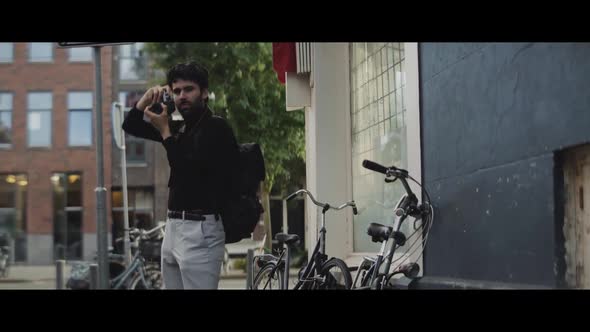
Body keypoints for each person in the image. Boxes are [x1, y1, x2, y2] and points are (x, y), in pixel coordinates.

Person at [122, 61, 239, 289]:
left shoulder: (216, 128)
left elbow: (187, 170)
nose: (181, 96)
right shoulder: (180, 127)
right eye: (176, 91)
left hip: (201, 230)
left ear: (204, 93)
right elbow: (131, 126)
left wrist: (165, 131)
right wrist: (145, 100)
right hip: (174, 227)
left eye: (188, 89)